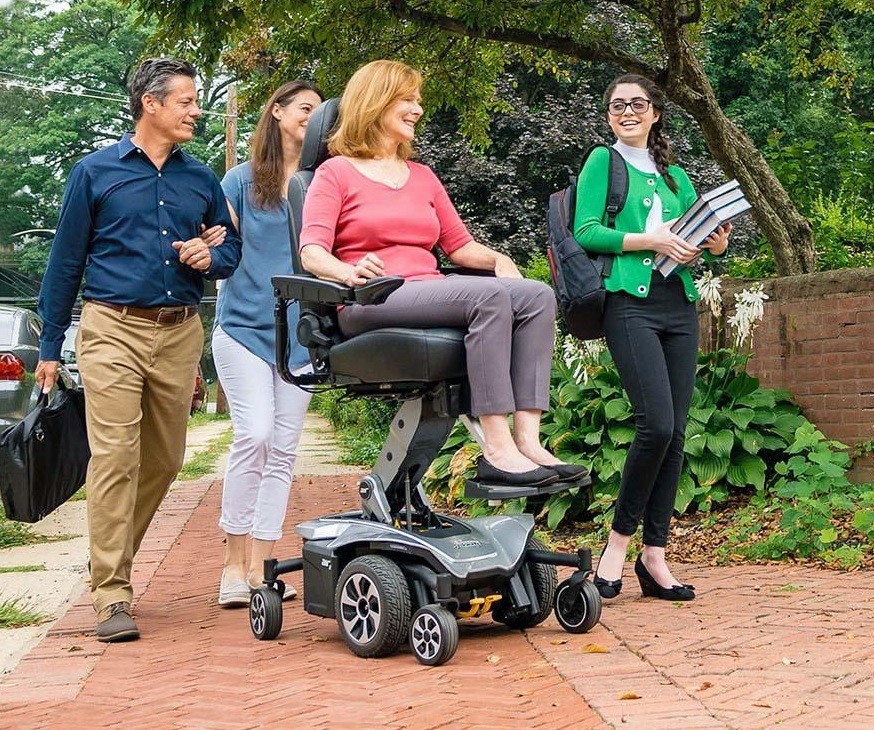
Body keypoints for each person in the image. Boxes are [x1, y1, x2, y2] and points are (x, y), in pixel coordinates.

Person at [298, 59, 586, 487]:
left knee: (536, 295)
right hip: (371, 298)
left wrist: (497, 260)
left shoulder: (422, 176)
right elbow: (311, 252)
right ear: (376, 103)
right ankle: (496, 448)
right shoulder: (334, 172)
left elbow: (459, 247)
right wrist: (348, 269)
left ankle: (528, 441)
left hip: (426, 292)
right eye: (408, 100)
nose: (418, 110)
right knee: (488, 298)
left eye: (418, 101)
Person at [35, 57, 241, 641]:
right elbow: (65, 263)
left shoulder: (200, 180)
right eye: (186, 101)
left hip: (179, 331)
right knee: (115, 456)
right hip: (110, 327)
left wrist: (211, 257)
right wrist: (50, 344)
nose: (196, 111)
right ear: (150, 104)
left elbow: (231, 249)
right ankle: (112, 593)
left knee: (164, 459)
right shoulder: (94, 173)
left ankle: (109, 560)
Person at [573, 74, 730, 602]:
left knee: (677, 431)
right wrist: (649, 239)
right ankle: (617, 543)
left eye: (637, 104)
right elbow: (585, 230)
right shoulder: (603, 162)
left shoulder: (675, 175)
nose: (627, 112)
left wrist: (715, 242)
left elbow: (694, 234)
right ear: (609, 114)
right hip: (629, 304)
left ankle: (654, 556)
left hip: (678, 306)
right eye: (617, 105)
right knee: (655, 424)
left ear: (656, 113)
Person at [213, 81, 323, 607]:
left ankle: (261, 565)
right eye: (305, 107)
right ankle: (231, 564)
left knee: (283, 452)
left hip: (300, 337)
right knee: (253, 436)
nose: (312, 116)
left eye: (319, 112)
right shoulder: (239, 181)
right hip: (243, 329)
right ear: (277, 112)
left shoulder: (322, 182)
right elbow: (222, 246)